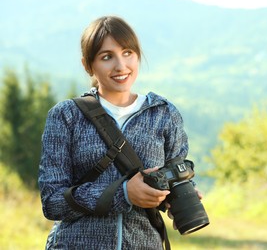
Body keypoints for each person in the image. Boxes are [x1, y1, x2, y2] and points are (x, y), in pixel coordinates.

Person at [38, 15, 201, 249]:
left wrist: (180, 197)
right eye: (107, 57)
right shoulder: (66, 116)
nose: (121, 66)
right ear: (88, 65)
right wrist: (123, 193)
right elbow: (52, 202)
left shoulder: (163, 114)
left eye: (127, 53)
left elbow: (175, 174)